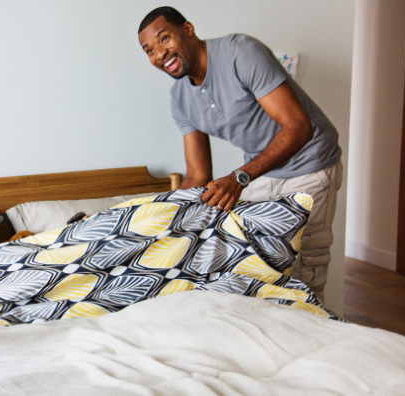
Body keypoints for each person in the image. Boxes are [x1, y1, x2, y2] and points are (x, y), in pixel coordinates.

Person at [138, 6, 342, 301]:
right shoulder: (180, 98)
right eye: (149, 50)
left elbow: (298, 127)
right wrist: (163, 218)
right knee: (259, 269)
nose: (159, 54)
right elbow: (197, 175)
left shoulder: (240, 52)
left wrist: (239, 178)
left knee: (305, 272)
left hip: (309, 165)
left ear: (188, 30)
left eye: (164, 38)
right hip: (259, 174)